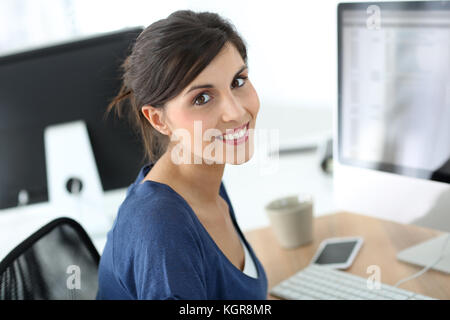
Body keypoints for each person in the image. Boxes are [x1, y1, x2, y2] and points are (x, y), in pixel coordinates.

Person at [96, 9, 268, 300]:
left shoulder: (205, 180)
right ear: (158, 120)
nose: (237, 112)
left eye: (238, 82)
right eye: (202, 98)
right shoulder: (162, 227)